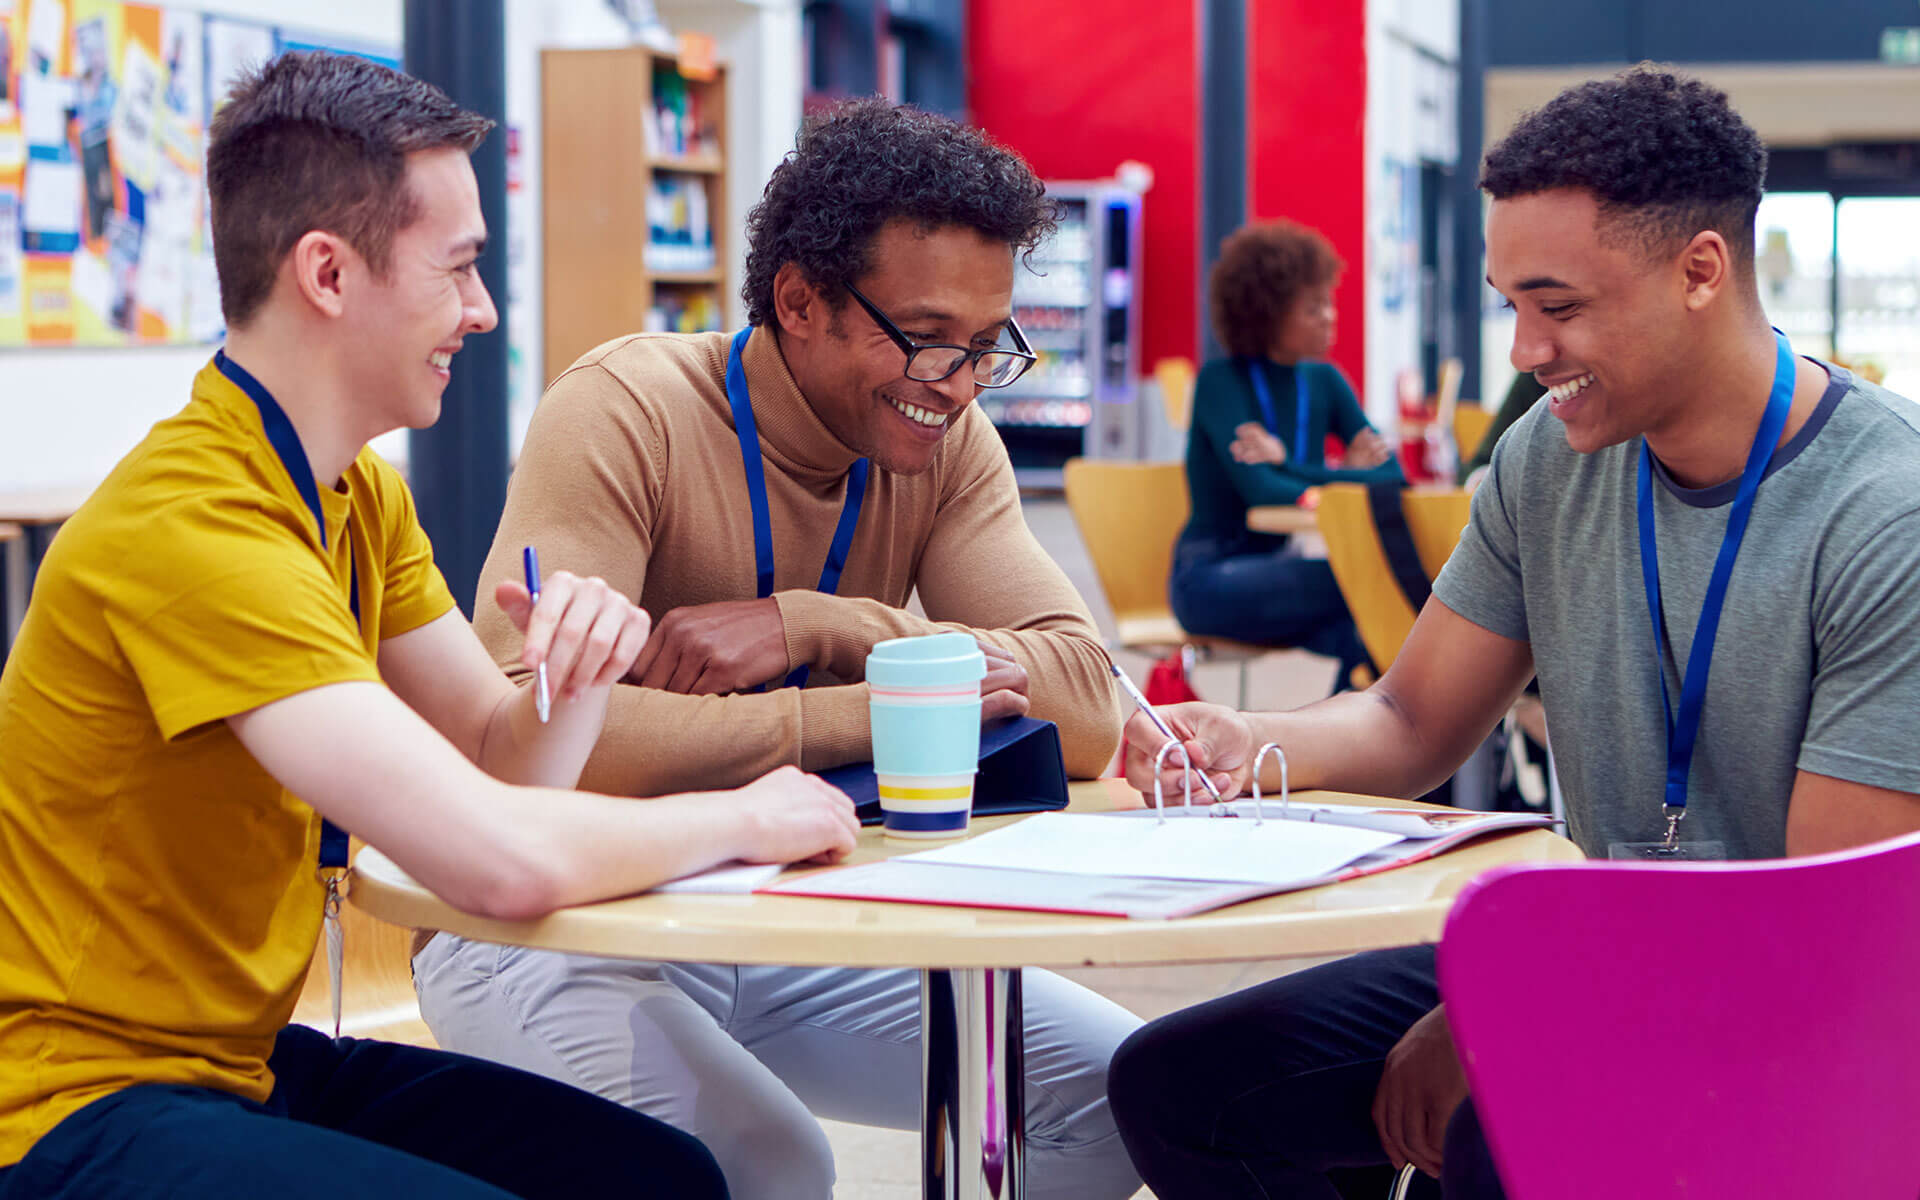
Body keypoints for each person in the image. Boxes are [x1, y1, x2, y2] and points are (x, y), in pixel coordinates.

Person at [0, 52, 864, 1200]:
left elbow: (500, 761)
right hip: (72, 1104)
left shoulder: (359, 493)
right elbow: (496, 865)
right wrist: (747, 814)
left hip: (236, 1067)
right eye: (458, 267)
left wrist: (576, 675)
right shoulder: (193, 526)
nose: (484, 308)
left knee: (662, 1178)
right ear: (327, 274)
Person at [1108, 66, 1920, 1199]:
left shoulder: (1889, 507)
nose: (1525, 351)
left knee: (1507, 1131)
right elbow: (1408, 715)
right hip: (1603, 956)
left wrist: (1508, 1005)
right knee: (1178, 1088)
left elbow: (1813, 924)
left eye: (1562, 306)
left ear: (1700, 271)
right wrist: (1250, 742)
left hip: (1819, 1010)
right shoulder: (1548, 461)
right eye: (1511, 307)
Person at [410, 99, 1142, 1200]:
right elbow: (539, 738)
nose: (953, 381)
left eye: (987, 349)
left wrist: (825, 624)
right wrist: (877, 710)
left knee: (1125, 1098)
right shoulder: (629, 410)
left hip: (803, 913)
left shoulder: (943, 439)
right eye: (929, 337)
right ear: (798, 299)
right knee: (769, 1167)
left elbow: (1089, 703)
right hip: (556, 923)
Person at [1171, 219, 1404, 686]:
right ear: (1268, 315)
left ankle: (1350, 756)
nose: (1330, 317)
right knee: (1372, 584)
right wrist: (1334, 474)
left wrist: (1289, 465)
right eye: (1313, 308)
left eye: (1329, 304)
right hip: (1211, 577)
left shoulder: (1326, 381)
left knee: (1382, 637)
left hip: (1278, 572)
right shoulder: (1221, 384)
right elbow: (1263, 492)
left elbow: (1393, 478)